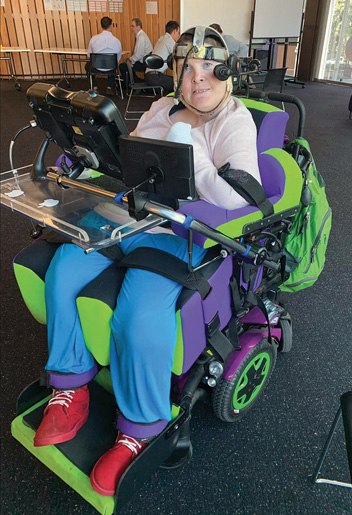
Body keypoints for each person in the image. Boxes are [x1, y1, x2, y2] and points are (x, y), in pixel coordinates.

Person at [29, 26, 260, 497]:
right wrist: (89, 159)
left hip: (180, 233)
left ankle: (140, 429)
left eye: (208, 70)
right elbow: (126, 159)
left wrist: (187, 152)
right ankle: (69, 387)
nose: (197, 80)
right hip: (125, 216)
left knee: (138, 318)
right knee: (64, 272)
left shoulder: (234, 123)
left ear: (228, 75)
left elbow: (239, 202)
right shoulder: (159, 108)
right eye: (187, 68)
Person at [86, 16, 122, 96]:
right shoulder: (117, 41)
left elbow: (90, 55)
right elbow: (117, 58)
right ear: (111, 25)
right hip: (111, 68)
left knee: (87, 66)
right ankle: (109, 87)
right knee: (113, 64)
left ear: (101, 26)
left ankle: (94, 87)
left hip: (96, 68)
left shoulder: (94, 39)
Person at [144, 20, 180, 93]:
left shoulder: (161, 39)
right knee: (180, 84)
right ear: (175, 31)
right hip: (155, 78)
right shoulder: (169, 41)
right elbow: (179, 55)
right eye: (178, 33)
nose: (178, 36)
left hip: (149, 76)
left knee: (175, 81)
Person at [119, 18, 153, 90]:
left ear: (139, 26)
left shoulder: (141, 37)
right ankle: (135, 82)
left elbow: (139, 54)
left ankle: (133, 84)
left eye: (133, 26)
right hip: (145, 61)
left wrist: (131, 61)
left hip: (144, 63)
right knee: (127, 63)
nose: (131, 28)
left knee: (123, 66)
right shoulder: (141, 35)